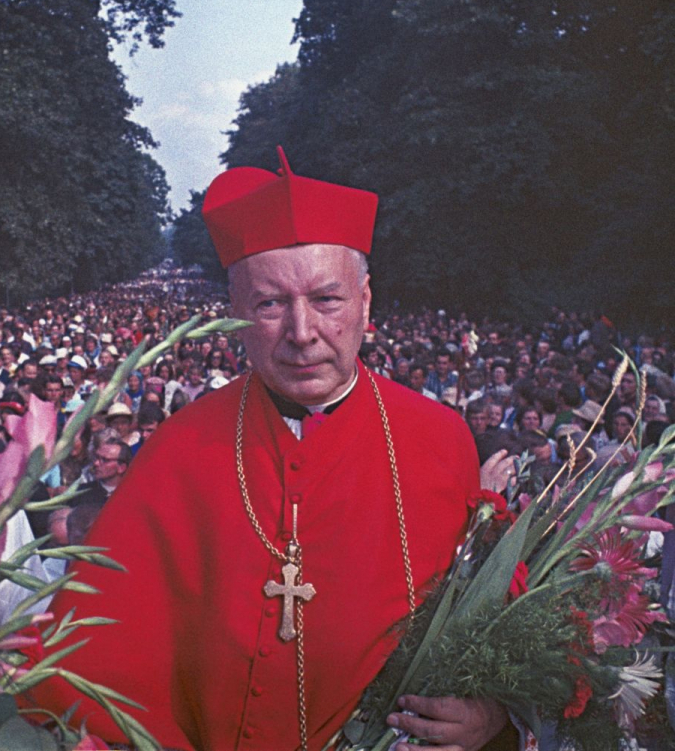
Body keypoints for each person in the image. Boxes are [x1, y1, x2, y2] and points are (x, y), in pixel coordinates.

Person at [37, 148, 514, 750]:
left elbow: (499, 627)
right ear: (235, 313)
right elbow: (90, 655)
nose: (302, 332)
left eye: (326, 299)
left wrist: (490, 711)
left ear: (365, 302)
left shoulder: (440, 438)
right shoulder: (180, 448)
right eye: (270, 304)